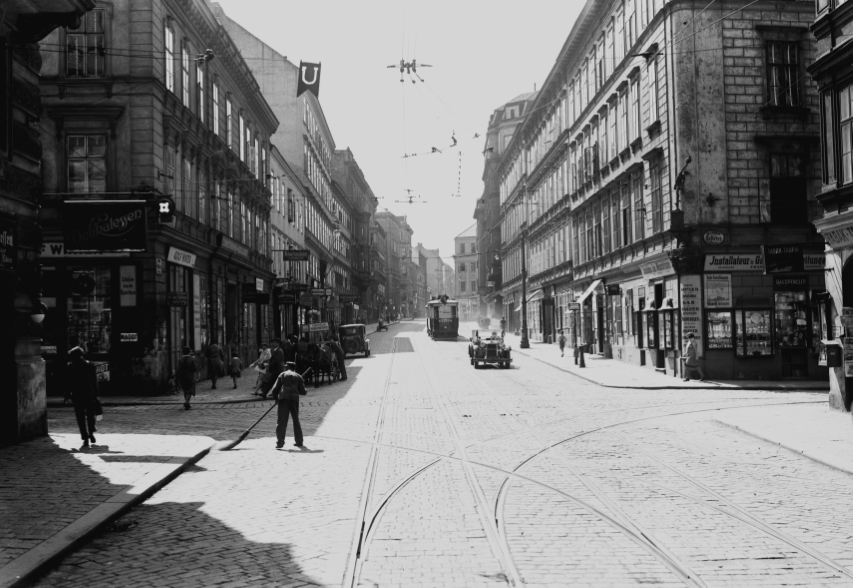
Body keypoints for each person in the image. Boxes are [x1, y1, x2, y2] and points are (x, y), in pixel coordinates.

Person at [64, 346, 99, 447]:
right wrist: (96, 394)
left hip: (77, 394)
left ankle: (85, 436)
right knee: (90, 414)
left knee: (80, 417)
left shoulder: (71, 366)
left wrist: (67, 394)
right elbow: (94, 381)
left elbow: (68, 382)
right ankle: (91, 432)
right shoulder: (90, 365)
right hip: (89, 394)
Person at [270, 361, 306, 448]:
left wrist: (276, 399)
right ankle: (299, 441)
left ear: (288, 367)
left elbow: (274, 389)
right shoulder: (298, 376)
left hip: (283, 399)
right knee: (296, 420)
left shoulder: (282, 374)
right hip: (294, 399)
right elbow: (303, 392)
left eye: (285, 366)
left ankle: (280, 442)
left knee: (281, 421)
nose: (284, 367)